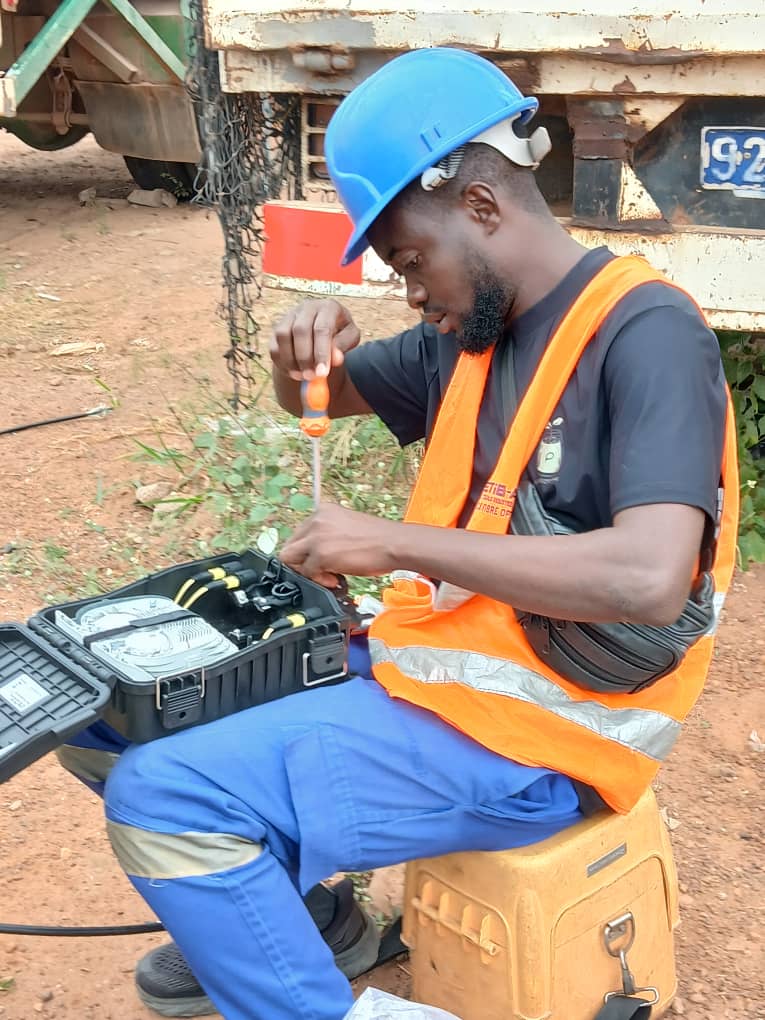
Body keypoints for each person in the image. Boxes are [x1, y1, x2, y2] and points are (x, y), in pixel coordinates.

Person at [60, 47, 737, 1020]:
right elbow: (316, 393)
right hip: (434, 679)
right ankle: (310, 923)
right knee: (108, 707)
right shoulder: (468, 336)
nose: (410, 294)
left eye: (411, 263)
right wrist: (300, 350)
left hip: (550, 740)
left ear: (481, 205)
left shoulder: (647, 334)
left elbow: (647, 578)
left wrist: (393, 542)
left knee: (166, 798)